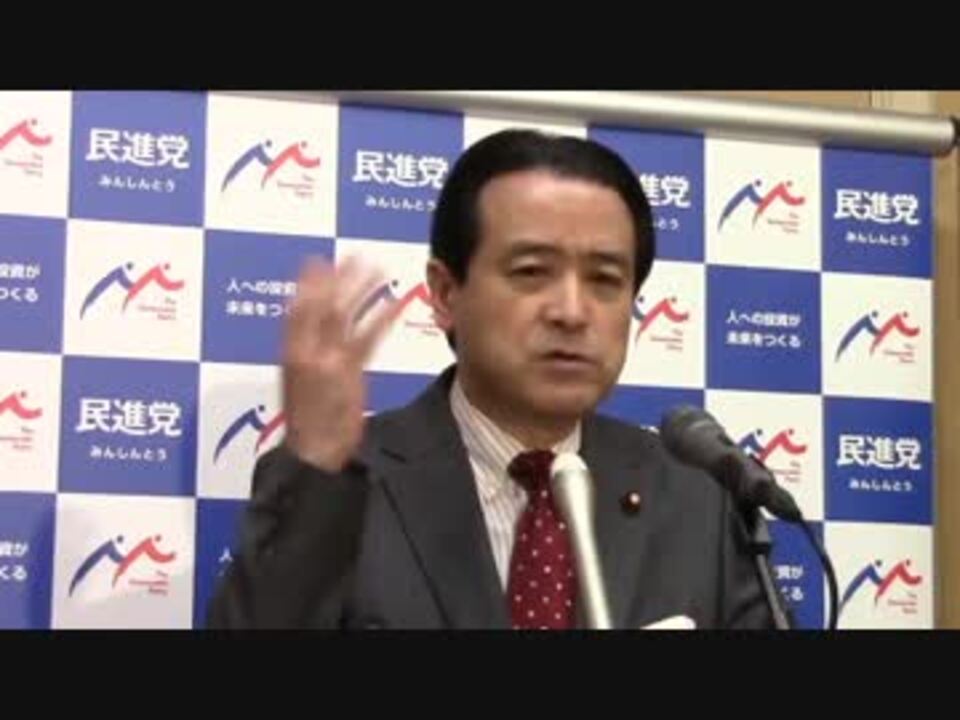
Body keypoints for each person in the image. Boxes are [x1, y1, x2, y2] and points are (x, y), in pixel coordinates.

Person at [206, 129, 775, 630]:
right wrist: (313, 466)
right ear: (445, 293)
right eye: (531, 272)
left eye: (605, 280)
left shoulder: (696, 501)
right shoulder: (338, 489)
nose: (572, 311)